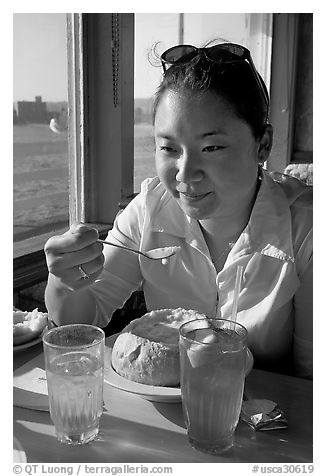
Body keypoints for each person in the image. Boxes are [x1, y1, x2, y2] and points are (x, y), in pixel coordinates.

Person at [44, 42, 312, 379]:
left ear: (263, 145)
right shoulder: (149, 210)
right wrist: (65, 281)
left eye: (211, 147)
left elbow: (312, 377)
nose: (185, 173)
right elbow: (79, 326)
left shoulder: (306, 227)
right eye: (169, 148)